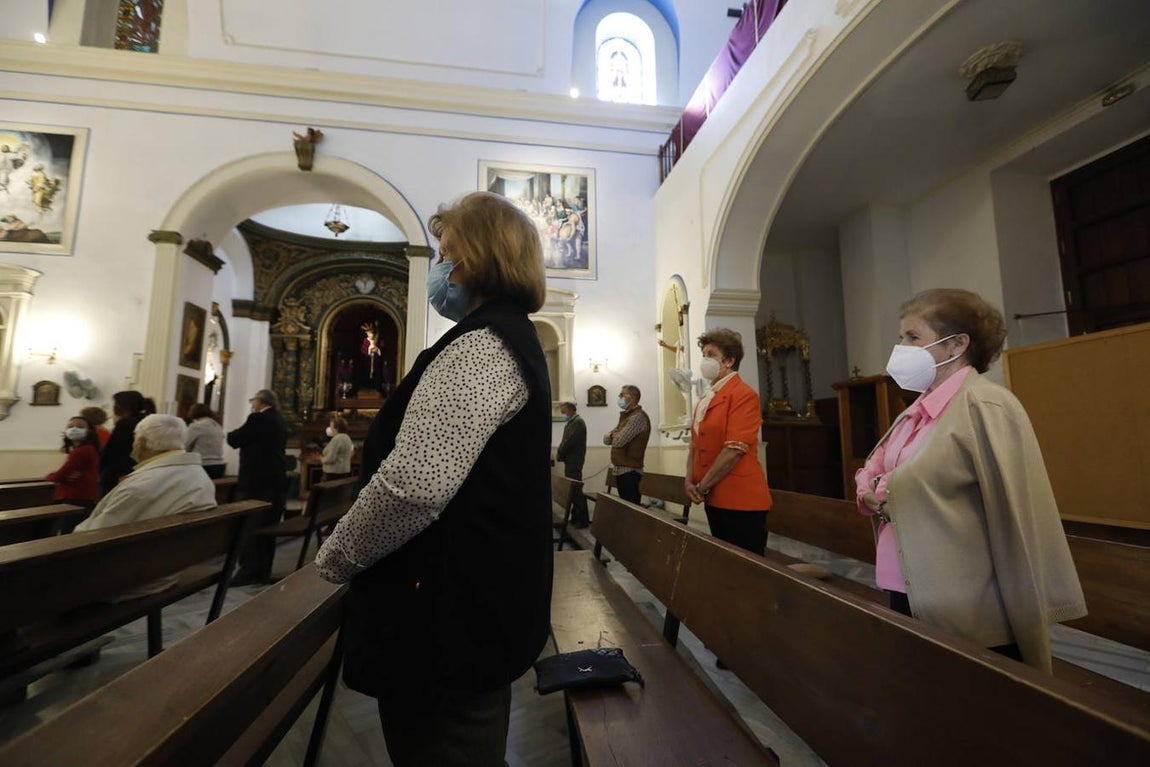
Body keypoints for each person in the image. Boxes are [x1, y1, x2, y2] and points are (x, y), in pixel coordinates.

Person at [316, 191, 553, 767]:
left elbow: (414, 486)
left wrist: (337, 556)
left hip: (446, 617)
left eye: (447, 252)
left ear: (478, 258)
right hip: (469, 604)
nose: (439, 266)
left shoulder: (481, 348)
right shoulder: (505, 338)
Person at [855, 288, 1086, 672]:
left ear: (957, 344)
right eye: (901, 337)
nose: (901, 347)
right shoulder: (917, 410)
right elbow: (876, 469)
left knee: (968, 705)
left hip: (965, 598)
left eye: (913, 337)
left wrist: (884, 492)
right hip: (906, 580)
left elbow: (1016, 511)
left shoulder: (985, 406)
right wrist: (872, 489)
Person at [75, 414, 217, 600]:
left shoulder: (141, 486)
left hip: (128, 579)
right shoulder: (199, 475)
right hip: (167, 569)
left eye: (135, 438)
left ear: (140, 442)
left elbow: (91, 537)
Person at [684, 328, 772, 555]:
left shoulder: (743, 394)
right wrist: (689, 480)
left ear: (730, 360)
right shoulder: (707, 396)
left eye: (711, 354)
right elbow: (695, 443)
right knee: (725, 563)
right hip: (714, 496)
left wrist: (702, 486)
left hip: (740, 498)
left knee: (745, 570)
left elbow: (735, 449)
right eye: (703, 354)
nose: (705, 359)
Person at [226, 389, 287, 585]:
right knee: (267, 526)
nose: (252, 404)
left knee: (250, 526)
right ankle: (263, 568)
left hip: (255, 481)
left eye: (253, 400)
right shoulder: (279, 420)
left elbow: (234, 439)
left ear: (261, 401)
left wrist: (231, 433)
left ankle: (248, 570)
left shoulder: (257, 419)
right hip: (275, 481)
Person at [45, 416, 102, 531]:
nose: (74, 429)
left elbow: (60, 476)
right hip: (82, 496)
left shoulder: (82, 451)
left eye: (80, 427)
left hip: (76, 496)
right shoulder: (85, 449)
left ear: (89, 431)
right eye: (70, 426)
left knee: (67, 532)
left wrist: (49, 476)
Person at [602, 385, 650, 504]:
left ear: (633, 397)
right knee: (625, 508)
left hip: (630, 471)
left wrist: (614, 435)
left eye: (622, 395)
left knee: (631, 510)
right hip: (622, 469)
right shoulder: (627, 416)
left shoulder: (637, 417)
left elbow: (618, 441)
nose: (619, 397)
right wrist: (614, 435)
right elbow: (606, 439)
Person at [99, 390, 147, 495]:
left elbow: (112, 451)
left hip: (120, 473)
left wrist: (101, 471)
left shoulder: (125, 424)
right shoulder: (147, 421)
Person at [554, 401, 589, 527]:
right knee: (573, 489)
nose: (563, 414)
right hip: (570, 460)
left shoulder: (578, 423)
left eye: (564, 411)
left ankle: (582, 519)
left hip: (575, 460)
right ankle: (576, 517)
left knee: (576, 489)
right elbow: (565, 441)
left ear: (571, 409)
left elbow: (569, 442)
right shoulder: (572, 422)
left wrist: (560, 453)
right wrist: (560, 452)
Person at [185, 403, 227, 479]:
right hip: (219, 467)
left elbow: (185, 446)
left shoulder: (196, 426)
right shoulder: (217, 426)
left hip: (203, 466)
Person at [321, 415, 354, 480]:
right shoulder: (347, 437)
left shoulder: (337, 439)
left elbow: (330, 458)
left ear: (337, 428)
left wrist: (321, 459)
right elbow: (351, 453)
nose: (330, 428)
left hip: (334, 472)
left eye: (331, 426)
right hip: (344, 472)